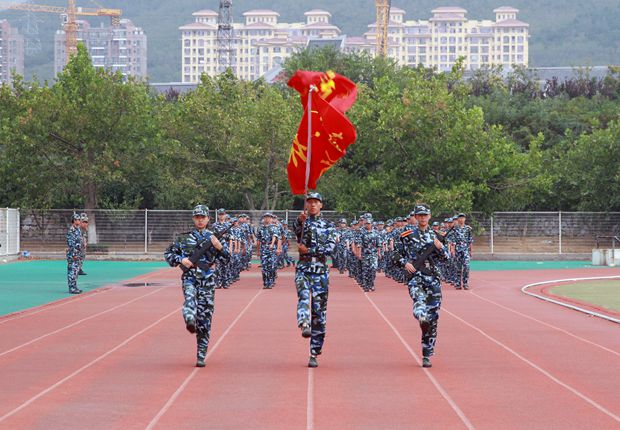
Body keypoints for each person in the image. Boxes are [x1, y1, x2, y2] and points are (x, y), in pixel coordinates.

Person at [164, 205, 229, 367]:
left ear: (208, 219)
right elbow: (168, 254)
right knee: (190, 298)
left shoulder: (215, 237)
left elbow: (228, 258)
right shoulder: (184, 238)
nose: (200, 220)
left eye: (203, 217)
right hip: (190, 276)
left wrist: (219, 247)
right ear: (193, 219)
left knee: (205, 319)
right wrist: (181, 259)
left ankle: (201, 354)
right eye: (197, 217)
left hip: (207, 279)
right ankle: (189, 318)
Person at [394, 204, 449, 368]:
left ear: (429, 216)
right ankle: (420, 315)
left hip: (433, 279)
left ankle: (427, 353)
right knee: (418, 300)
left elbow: (446, 258)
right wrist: (405, 263)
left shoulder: (437, 236)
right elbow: (395, 255)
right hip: (416, 277)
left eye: (425, 215)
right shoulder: (407, 235)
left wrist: (441, 248)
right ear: (416, 217)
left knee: (433, 319)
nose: (423, 218)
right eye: (420, 215)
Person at [293, 192, 336, 368]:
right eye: (309, 202)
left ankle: (314, 352)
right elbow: (296, 230)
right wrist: (299, 221)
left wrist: (309, 250)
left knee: (319, 312)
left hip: (320, 271)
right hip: (303, 268)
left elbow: (330, 248)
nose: (312, 205)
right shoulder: (302, 223)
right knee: (303, 295)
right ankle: (304, 322)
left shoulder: (329, 226)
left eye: (315, 202)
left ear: (321, 205)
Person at [453, 213, 474, 290]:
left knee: (466, 266)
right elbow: (453, 241)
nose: (461, 219)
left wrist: (471, 251)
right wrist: (453, 250)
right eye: (460, 218)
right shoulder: (455, 229)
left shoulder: (468, 229)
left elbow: (470, 240)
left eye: (463, 218)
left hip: (465, 250)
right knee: (458, 268)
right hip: (458, 250)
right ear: (458, 219)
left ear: (465, 219)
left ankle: (465, 283)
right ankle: (458, 283)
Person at [66, 213, 83, 294]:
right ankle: (72, 288)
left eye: (79, 220)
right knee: (72, 271)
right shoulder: (71, 231)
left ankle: (75, 286)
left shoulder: (78, 230)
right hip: (73, 254)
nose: (79, 221)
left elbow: (79, 241)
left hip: (78, 253)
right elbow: (71, 244)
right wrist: (74, 254)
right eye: (77, 220)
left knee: (76, 271)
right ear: (74, 221)